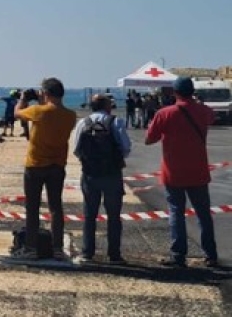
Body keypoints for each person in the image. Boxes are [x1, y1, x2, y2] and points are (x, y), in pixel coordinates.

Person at [145, 77, 220, 268]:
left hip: (174, 172)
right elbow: (211, 117)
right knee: (203, 213)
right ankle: (210, 254)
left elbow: (149, 139)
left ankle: (178, 255)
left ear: (174, 93)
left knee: (176, 212)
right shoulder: (204, 111)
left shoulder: (165, 113)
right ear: (193, 91)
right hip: (198, 170)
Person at [12, 77, 77, 260]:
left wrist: (22, 98)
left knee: (32, 207)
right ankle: (57, 248)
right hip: (57, 165)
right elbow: (52, 116)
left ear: (46, 93)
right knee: (55, 207)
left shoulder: (38, 111)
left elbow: (17, 113)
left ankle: (31, 248)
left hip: (35, 165)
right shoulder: (70, 115)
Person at [73, 93, 131, 264]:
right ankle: (114, 254)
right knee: (114, 215)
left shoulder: (83, 123)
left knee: (89, 215)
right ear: (107, 106)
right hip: (112, 174)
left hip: (90, 174)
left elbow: (76, 149)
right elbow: (126, 148)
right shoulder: (116, 122)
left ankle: (87, 252)